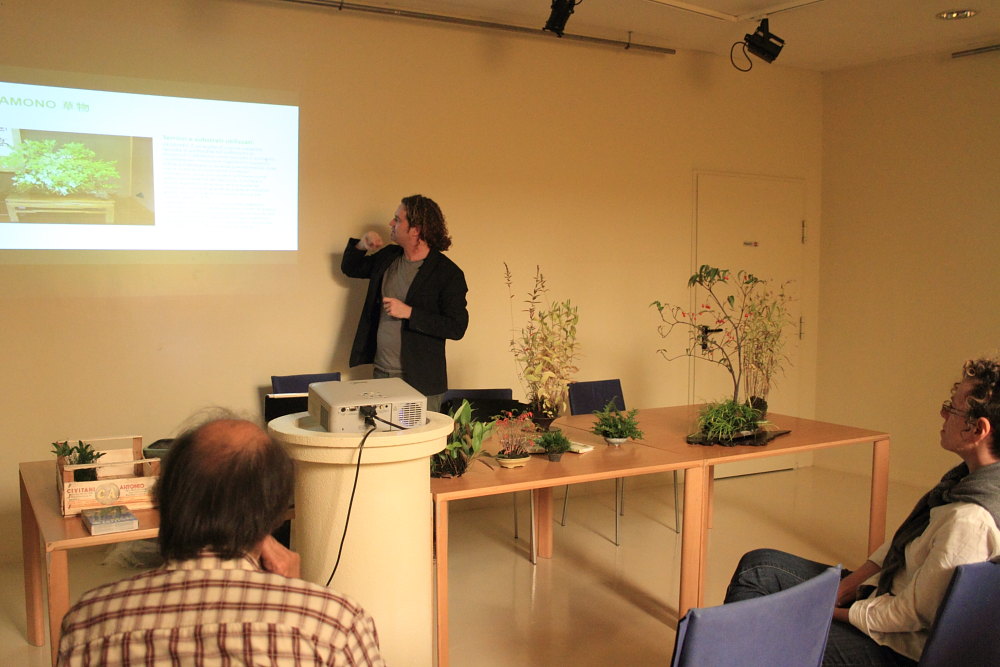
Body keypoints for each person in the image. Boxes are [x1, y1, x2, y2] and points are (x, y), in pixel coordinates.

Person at [723, 357, 1000, 665]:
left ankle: (740, 650)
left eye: (952, 408)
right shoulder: (964, 481)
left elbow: (908, 615)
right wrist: (846, 586)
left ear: (977, 429)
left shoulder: (970, 519)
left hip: (895, 646)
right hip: (882, 595)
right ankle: (735, 650)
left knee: (768, 639)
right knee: (758, 567)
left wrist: (825, 610)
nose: (943, 413)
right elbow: (900, 547)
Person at [57, 415, 385, 666]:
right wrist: (296, 596)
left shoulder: (87, 621)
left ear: (165, 500)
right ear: (273, 515)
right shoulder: (335, 624)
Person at [341, 194, 468, 413]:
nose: (391, 223)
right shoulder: (389, 257)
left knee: (421, 436)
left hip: (421, 381)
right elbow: (351, 268)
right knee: (382, 433)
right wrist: (362, 244)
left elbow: (456, 327)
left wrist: (410, 313)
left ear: (416, 229)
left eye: (398, 219)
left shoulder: (448, 273)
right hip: (382, 374)